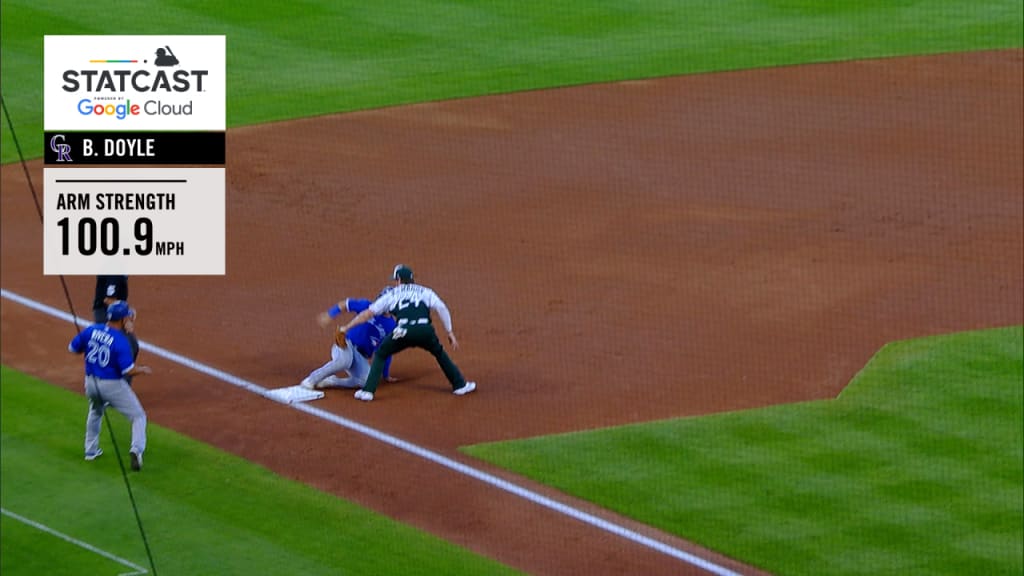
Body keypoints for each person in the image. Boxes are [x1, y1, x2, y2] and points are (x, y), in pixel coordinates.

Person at [338, 265, 476, 402]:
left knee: (381, 353)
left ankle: (368, 391)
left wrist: (347, 327)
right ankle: (459, 385)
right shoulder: (425, 291)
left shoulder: (392, 294)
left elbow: (367, 313)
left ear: (398, 280)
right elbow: (441, 307)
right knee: (439, 353)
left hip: (403, 331)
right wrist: (449, 331)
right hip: (425, 331)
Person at [69, 301, 151, 471]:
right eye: (127, 316)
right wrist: (141, 370)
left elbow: (72, 348)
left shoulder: (92, 329)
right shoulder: (120, 341)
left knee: (96, 411)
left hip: (91, 383)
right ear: (121, 320)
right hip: (112, 385)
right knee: (138, 416)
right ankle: (136, 450)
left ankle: (90, 451)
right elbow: (128, 370)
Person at [299, 290, 397, 390]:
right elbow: (345, 304)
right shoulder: (367, 305)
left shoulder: (391, 326)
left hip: (360, 356)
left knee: (366, 381)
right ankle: (311, 380)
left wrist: (385, 374)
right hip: (346, 344)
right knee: (344, 361)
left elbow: (386, 351)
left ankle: (332, 381)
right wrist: (330, 315)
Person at [92, 275, 139, 364]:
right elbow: (108, 300)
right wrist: (126, 317)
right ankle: (117, 375)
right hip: (108, 315)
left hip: (115, 313)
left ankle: (121, 375)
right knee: (127, 347)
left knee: (131, 345)